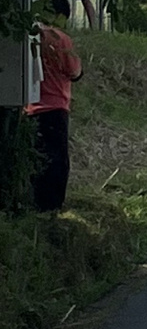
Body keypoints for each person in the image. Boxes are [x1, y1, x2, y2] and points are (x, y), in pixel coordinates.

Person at [27, 20, 84, 211]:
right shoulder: (60, 39)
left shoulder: (23, 35)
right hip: (55, 106)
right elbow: (75, 72)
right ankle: (51, 208)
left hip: (27, 108)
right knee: (56, 162)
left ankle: (30, 203)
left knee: (33, 159)